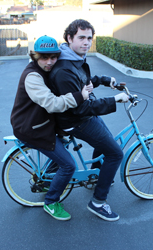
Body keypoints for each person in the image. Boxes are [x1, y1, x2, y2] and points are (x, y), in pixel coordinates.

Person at [49, 19, 129, 221]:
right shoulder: (64, 69)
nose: (86, 42)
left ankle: (98, 176)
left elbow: (83, 84)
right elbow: (81, 107)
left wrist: (103, 80)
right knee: (115, 153)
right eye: (81, 37)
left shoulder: (74, 59)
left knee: (106, 141)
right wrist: (115, 100)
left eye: (89, 38)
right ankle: (98, 202)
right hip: (76, 120)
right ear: (69, 38)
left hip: (82, 115)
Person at [10, 35, 92, 221]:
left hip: (40, 123)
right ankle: (51, 202)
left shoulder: (47, 71)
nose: (49, 62)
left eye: (53, 57)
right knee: (69, 165)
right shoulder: (32, 76)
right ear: (35, 57)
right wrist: (80, 96)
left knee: (63, 145)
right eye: (44, 58)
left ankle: (49, 181)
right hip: (32, 128)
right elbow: (52, 104)